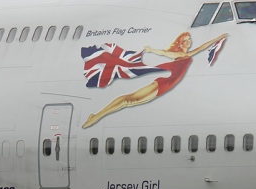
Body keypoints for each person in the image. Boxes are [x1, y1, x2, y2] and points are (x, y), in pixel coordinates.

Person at [82, 32, 228, 129]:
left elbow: (202, 47)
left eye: (189, 40)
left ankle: (96, 116)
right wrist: (151, 50)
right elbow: (164, 53)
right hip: (163, 83)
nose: (188, 42)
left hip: (167, 86)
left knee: (133, 102)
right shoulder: (176, 54)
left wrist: (217, 38)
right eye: (185, 40)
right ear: (180, 42)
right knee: (129, 100)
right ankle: (95, 116)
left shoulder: (187, 54)